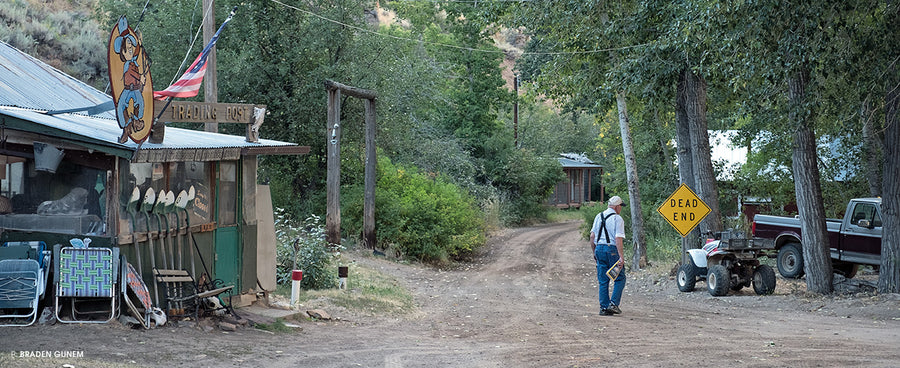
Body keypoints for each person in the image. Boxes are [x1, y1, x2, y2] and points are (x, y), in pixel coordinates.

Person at [590, 195, 627, 316]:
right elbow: (618, 238)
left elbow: (592, 237)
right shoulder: (618, 219)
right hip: (612, 250)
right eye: (621, 206)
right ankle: (613, 304)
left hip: (599, 248)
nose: (621, 209)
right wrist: (621, 256)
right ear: (616, 207)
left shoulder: (598, 216)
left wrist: (594, 251)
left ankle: (604, 308)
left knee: (603, 280)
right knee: (620, 277)